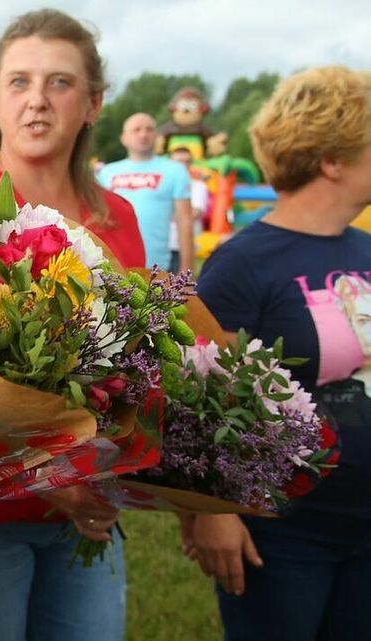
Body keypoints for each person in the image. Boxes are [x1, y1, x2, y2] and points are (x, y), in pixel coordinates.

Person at [0, 9, 146, 641]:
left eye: (59, 82)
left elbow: (140, 361)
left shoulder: (118, 217)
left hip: (91, 517)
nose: (37, 100)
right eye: (19, 82)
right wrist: (52, 479)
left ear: (93, 103)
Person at [186, 65, 371, 641]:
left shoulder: (366, 249)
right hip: (285, 530)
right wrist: (214, 511)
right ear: (333, 160)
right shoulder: (243, 264)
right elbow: (196, 397)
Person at [97, 113, 194, 272]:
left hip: (156, 269)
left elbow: (185, 221)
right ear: (124, 138)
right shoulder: (106, 173)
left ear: (156, 135)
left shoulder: (175, 170)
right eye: (137, 130)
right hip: (114, 268)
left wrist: (187, 270)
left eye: (149, 129)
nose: (143, 134)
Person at [168, 147, 208, 272]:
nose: (183, 165)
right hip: (163, 245)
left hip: (185, 247)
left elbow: (195, 213)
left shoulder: (198, 186)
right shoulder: (164, 186)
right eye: (179, 162)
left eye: (187, 161)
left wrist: (165, 214)